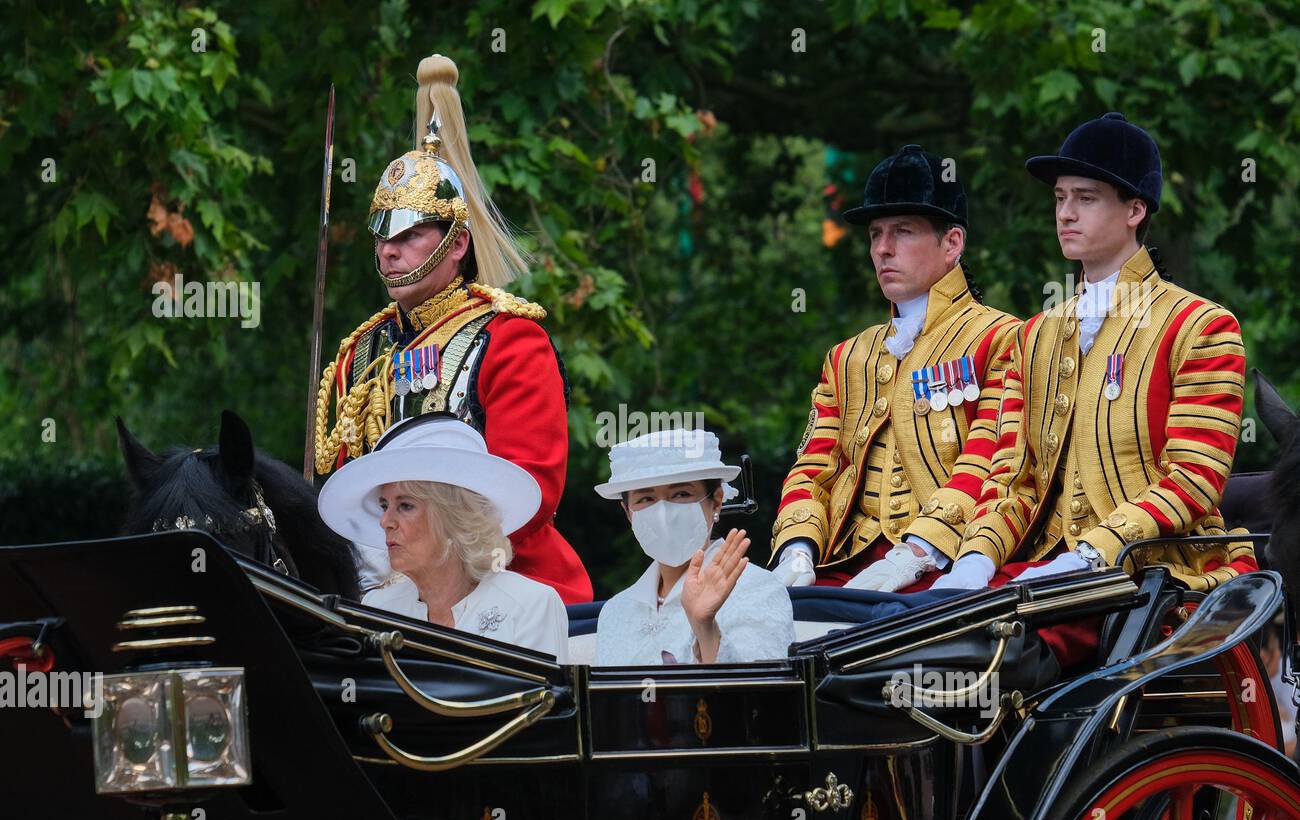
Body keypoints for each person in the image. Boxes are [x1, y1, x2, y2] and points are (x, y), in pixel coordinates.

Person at [933, 112, 1257, 667]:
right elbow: (1014, 480)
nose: (1064, 213)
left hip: (1152, 576)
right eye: (1060, 198)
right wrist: (975, 561)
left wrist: (1092, 554)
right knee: (909, 630)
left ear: (1135, 210)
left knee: (990, 652)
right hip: (1040, 568)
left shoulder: (1199, 326)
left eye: (1085, 197)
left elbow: (1195, 479)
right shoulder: (1032, 338)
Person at [312, 53, 591, 604]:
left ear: (456, 243)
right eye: (382, 234)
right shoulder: (360, 352)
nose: (389, 250)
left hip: (508, 586)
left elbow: (529, 493)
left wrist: (435, 568)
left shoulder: (509, 338)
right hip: (383, 589)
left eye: (411, 234)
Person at [770, 145, 1021, 594]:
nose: (883, 249)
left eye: (903, 231)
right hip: (841, 562)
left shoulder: (1002, 339)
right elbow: (813, 468)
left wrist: (921, 549)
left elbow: (990, 459)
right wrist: (798, 548)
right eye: (875, 234)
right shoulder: (847, 357)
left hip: (945, 563)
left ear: (952, 243)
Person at [317, 414, 570, 662]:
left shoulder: (531, 606)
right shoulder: (379, 608)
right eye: (385, 506)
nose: (385, 522)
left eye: (405, 506)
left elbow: (540, 703)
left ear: (452, 517)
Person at [593, 429, 794, 665]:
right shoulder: (615, 611)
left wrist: (705, 629)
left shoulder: (759, 589)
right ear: (628, 512)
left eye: (681, 494)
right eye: (645, 499)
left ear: (716, 501)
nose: (663, 513)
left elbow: (765, 694)